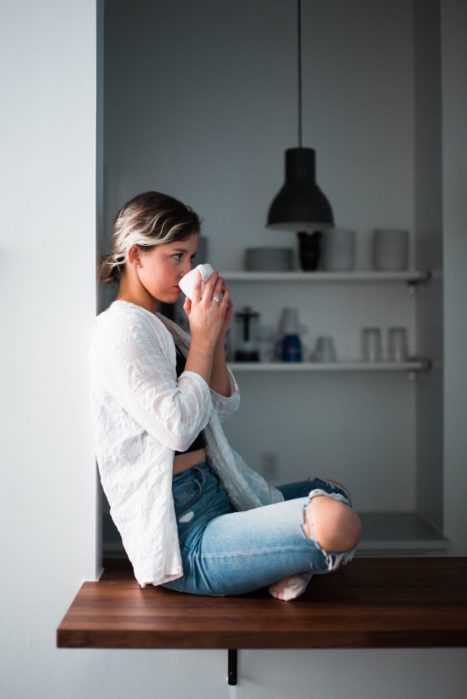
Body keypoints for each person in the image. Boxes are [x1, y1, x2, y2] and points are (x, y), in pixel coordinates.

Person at [90, 191, 362, 601]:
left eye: (191, 257)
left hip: (217, 492)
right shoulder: (120, 329)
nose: (187, 268)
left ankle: (277, 560)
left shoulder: (163, 327)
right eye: (176, 256)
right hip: (187, 534)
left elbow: (221, 405)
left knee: (332, 489)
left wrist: (213, 334)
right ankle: (282, 561)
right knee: (338, 521)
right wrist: (202, 335)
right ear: (136, 255)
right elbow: (180, 429)